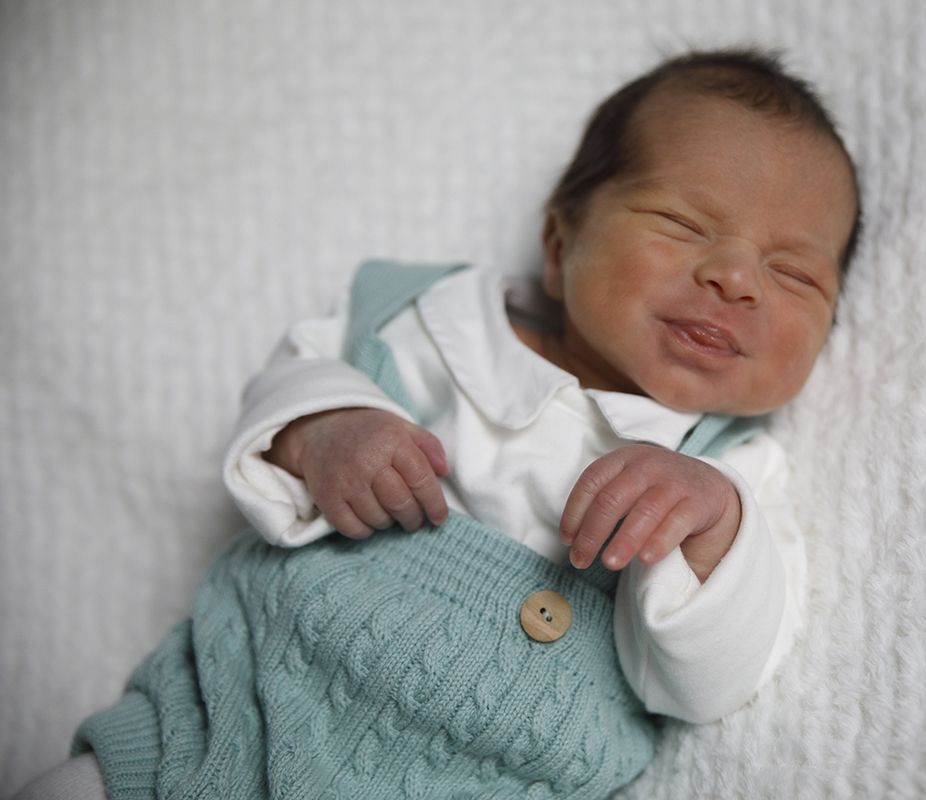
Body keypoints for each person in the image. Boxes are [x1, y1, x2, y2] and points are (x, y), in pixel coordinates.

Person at [18, 48, 860, 800]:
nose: (736, 278)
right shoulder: (432, 323)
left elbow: (714, 680)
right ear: (561, 247)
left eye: (794, 275)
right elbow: (297, 377)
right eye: (684, 225)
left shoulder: (733, 477)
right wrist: (329, 429)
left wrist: (711, 529)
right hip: (225, 724)